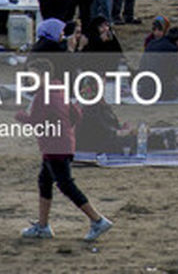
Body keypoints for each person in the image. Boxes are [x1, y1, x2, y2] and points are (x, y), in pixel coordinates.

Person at [17, 58, 113, 242]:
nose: (29, 79)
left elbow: (35, 122)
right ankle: (43, 226)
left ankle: (97, 220)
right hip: (61, 144)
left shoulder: (43, 96)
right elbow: (76, 112)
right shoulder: (58, 90)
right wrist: (68, 130)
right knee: (44, 181)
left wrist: (19, 115)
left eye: (32, 75)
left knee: (65, 184)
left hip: (55, 147)